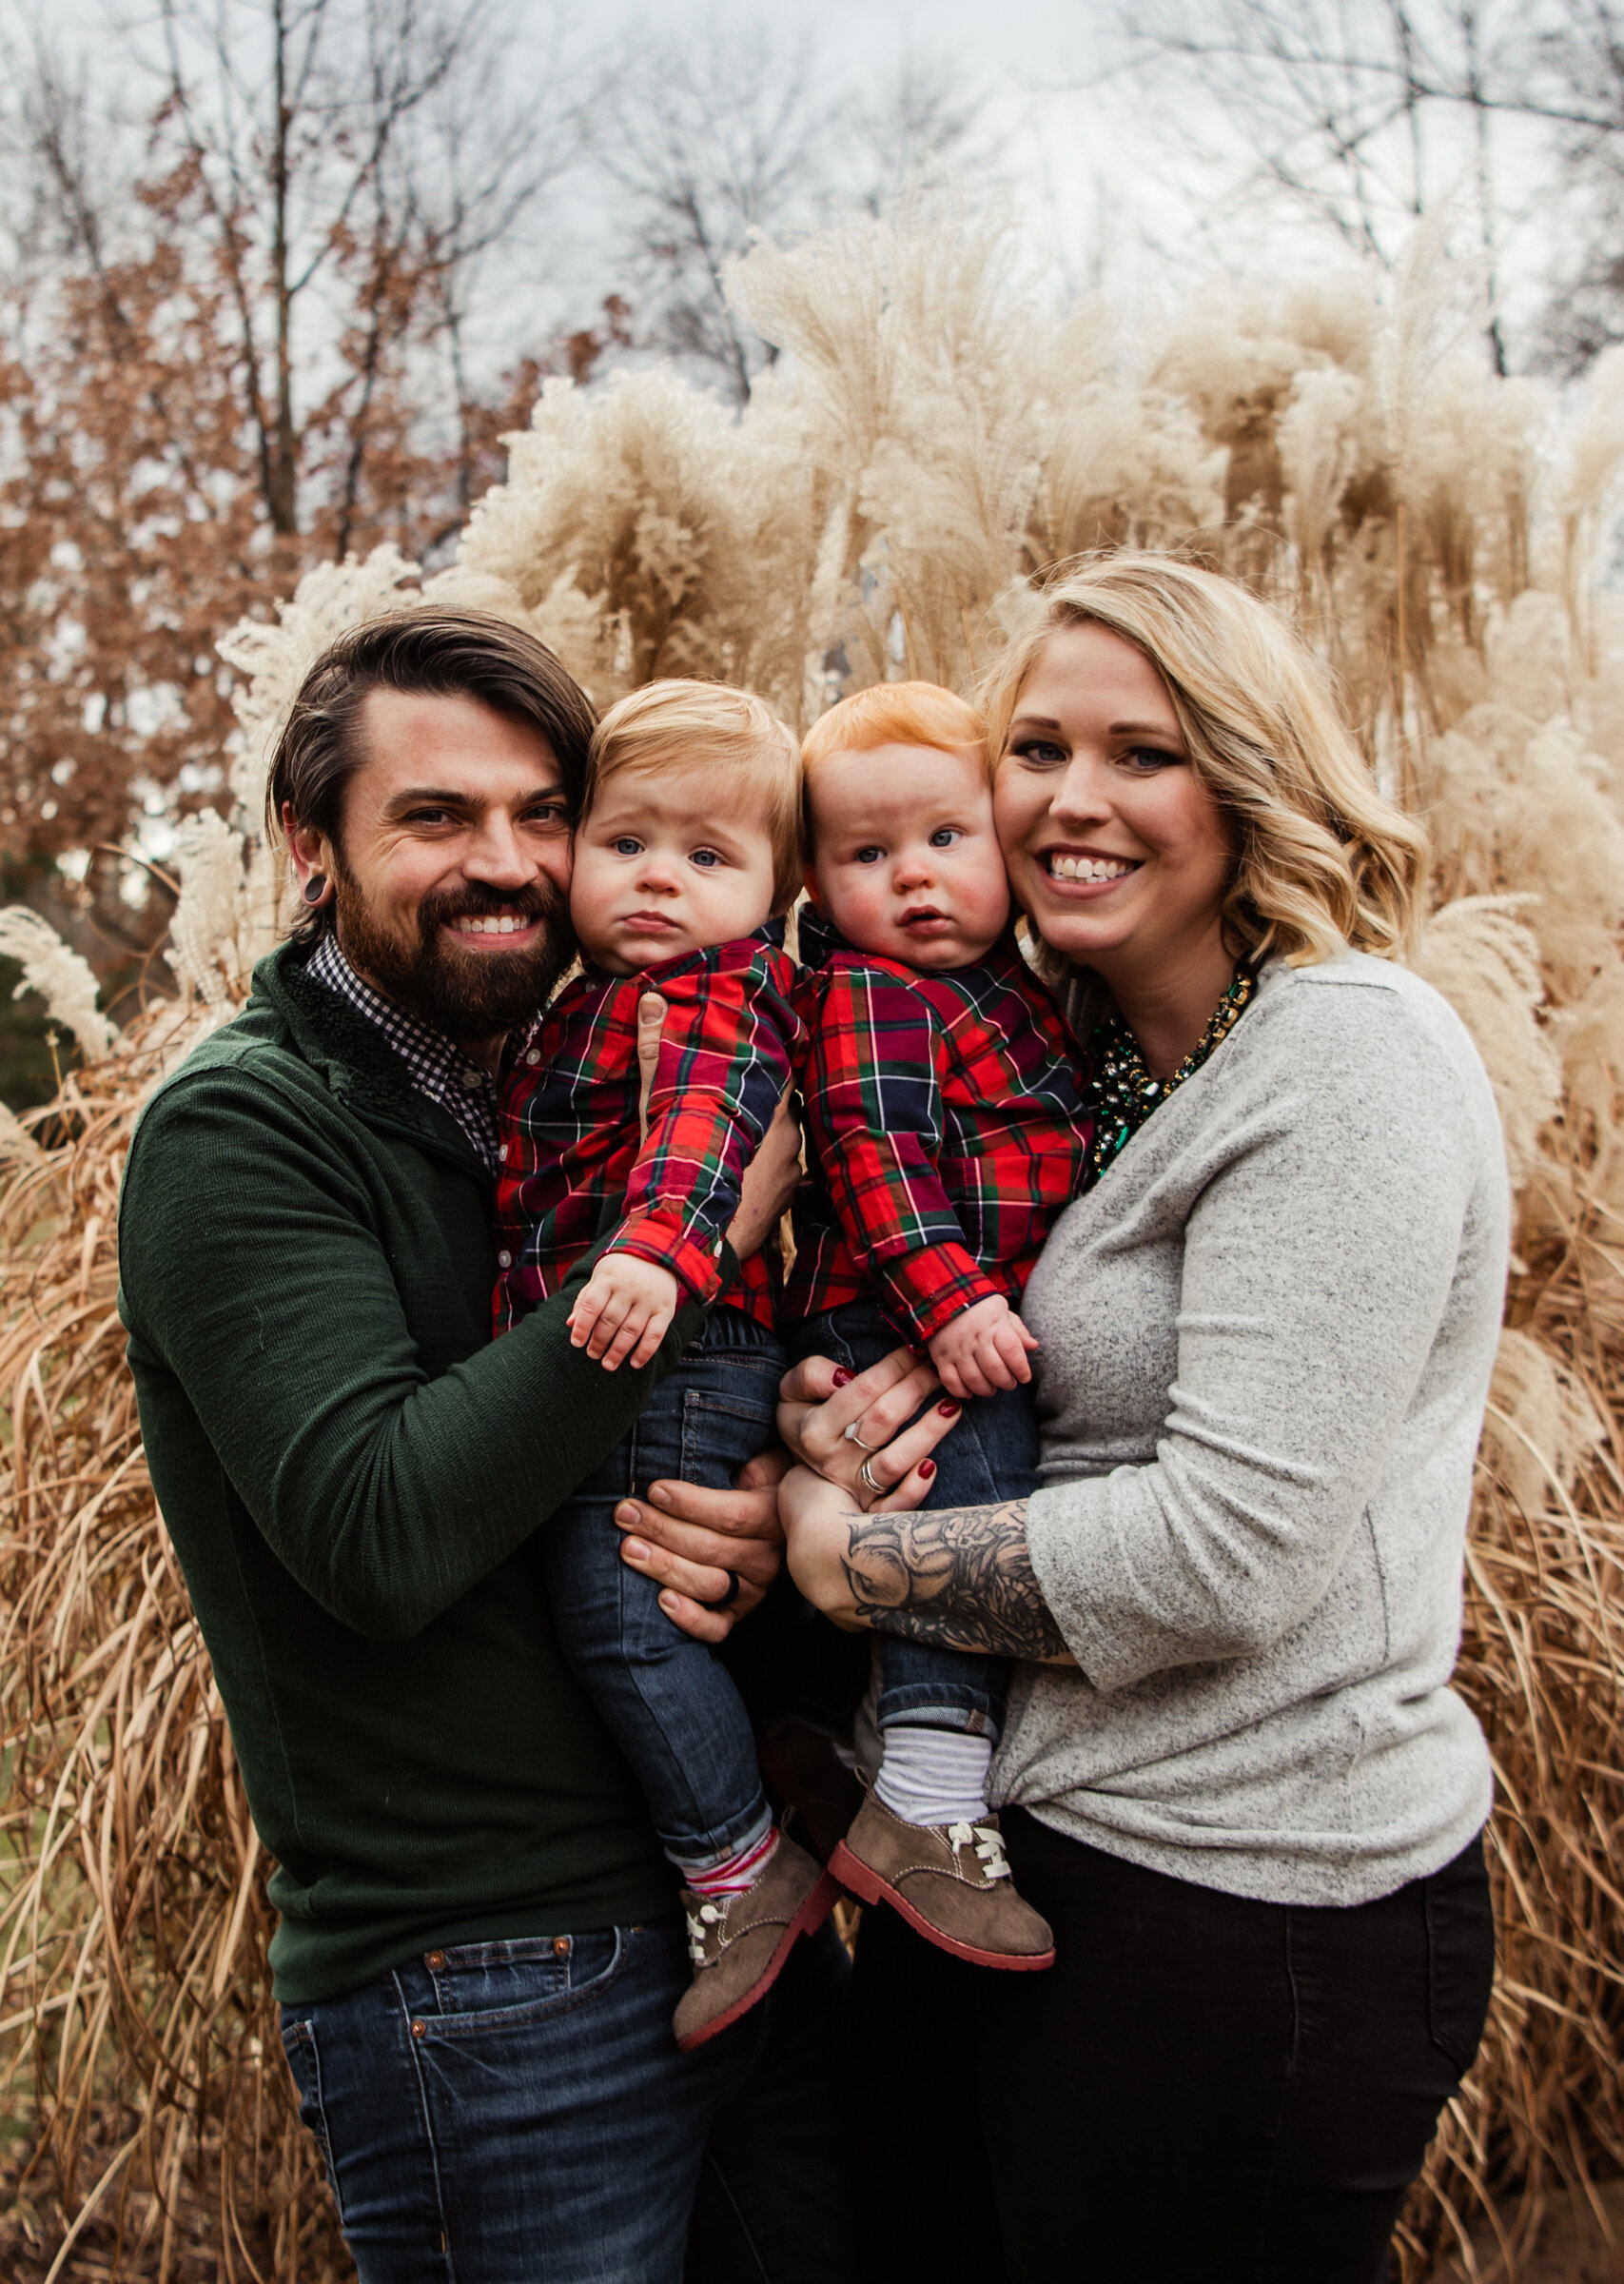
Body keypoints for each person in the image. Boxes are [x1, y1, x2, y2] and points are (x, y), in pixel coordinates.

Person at [772, 555, 1504, 2283]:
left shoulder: (1345, 1057)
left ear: (1249, 780)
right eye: (1033, 748)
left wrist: (852, 1561)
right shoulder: (1061, 1055)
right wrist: (830, 1418)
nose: (1071, 802)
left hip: (1251, 1895)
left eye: (1142, 754)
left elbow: (1221, 1557)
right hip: (1012, 1867)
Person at [116, 610, 853, 2284]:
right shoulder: (244, 1129)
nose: (506, 863)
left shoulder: (591, 1075)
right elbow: (377, 1532)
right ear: (311, 846)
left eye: (543, 814)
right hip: (486, 1979)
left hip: (740, 1911)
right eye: (435, 818)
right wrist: (685, 1258)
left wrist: (770, 1515)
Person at [493, 679, 838, 2051]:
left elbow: (708, 1121)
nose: (658, 880)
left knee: (618, 1611)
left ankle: (738, 1865)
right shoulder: (583, 999)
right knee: (617, 1602)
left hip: (675, 1350)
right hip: (632, 1349)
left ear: (777, 888)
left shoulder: (720, 983)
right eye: (627, 841)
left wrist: (658, 1250)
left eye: (708, 857)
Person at [783, 679, 1092, 1969]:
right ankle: (924, 1782)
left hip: (949, 1319)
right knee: (963, 1503)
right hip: (897, 1325)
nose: (913, 878)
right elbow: (874, 1155)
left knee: (975, 1487)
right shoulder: (873, 994)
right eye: (868, 855)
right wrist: (954, 1295)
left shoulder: (1021, 987)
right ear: (814, 878)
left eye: (945, 841)